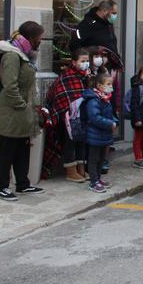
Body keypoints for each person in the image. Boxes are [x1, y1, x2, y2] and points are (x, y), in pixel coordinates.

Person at [0, 22, 46, 201]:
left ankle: (23, 183)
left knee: (22, 150)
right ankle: (2, 186)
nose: (41, 40)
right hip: (12, 113)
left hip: (23, 113)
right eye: (39, 37)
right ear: (31, 38)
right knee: (7, 150)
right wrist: (23, 106)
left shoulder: (24, 55)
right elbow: (10, 86)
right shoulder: (12, 56)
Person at [46, 48, 91, 183]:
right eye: (83, 61)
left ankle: (81, 167)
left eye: (87, 61)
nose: (86, 63)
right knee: (69, 142)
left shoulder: (85, 76)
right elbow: (62, 96)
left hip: (82, 115)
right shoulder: (67, 76)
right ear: (74, 62)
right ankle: (71, 171)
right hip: (68, 116)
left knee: (81, 142)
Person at [83, 72, 118, 193]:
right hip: (95, 134)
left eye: (111, 84)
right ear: (99, 85)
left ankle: (98, 179)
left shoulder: (106, 98)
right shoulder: (94, 100)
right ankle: (93, 182)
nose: (110, 86)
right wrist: (110, 123)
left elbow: (110, 114)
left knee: (101, 159)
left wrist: (115, 121)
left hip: (104, 134)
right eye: (108, 84)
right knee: (93, 159)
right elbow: (94, 117)